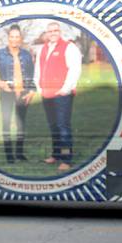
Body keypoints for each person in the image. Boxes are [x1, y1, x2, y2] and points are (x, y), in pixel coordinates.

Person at [0, 23, 36, 164]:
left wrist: (32, 90)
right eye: (12, 36)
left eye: (17, 37)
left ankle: (19, 153)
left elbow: (31, 74)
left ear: (20, 38)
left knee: (21, 124)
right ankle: (9, 155)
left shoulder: (26, 54)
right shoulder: (0, 54)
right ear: (8, 38)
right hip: (6, 93)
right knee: (6, 124)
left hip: (23, 94)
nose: (14, 39)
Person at [34, 22, 83, 172]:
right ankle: (55, 155)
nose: (53, 33)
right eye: (50, 31)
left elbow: (74, 70)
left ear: (59, 31)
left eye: (55, 30)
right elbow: (38, 69)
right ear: (46, 33)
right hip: (46, 93)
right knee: (53, 127)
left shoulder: (69, 47)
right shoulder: (42, 48)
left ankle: (66, 160)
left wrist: (65, 89)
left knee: (63, 127)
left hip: (62, 95)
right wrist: (39, 87)